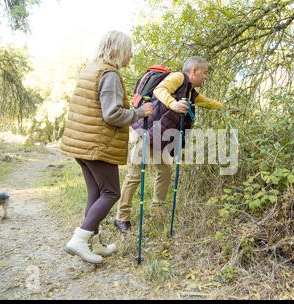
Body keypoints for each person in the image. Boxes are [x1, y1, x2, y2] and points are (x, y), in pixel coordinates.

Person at [60, 31, 153, 264]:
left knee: (96, 193)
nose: (131, 55)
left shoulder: (91, 69)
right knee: (111, 192)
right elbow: (112, 114)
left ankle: (94, 243)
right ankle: (80, 240)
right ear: (117, 50)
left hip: (81, 144)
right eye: (129, 50)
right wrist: (140, 112)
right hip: (96, 145)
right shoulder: (109, 74)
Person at [114, 56, 224, 233]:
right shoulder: (178, 78)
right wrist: (174, 104)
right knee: (134, 175)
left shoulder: (189, 91)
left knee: (164, 171)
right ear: (194, 71)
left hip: (159, 135)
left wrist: (226, 108)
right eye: (204, 72)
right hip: (143, 130)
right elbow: (160, 90)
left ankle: (157, 211)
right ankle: (121, 217)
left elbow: (206, 102)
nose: (206, 76)